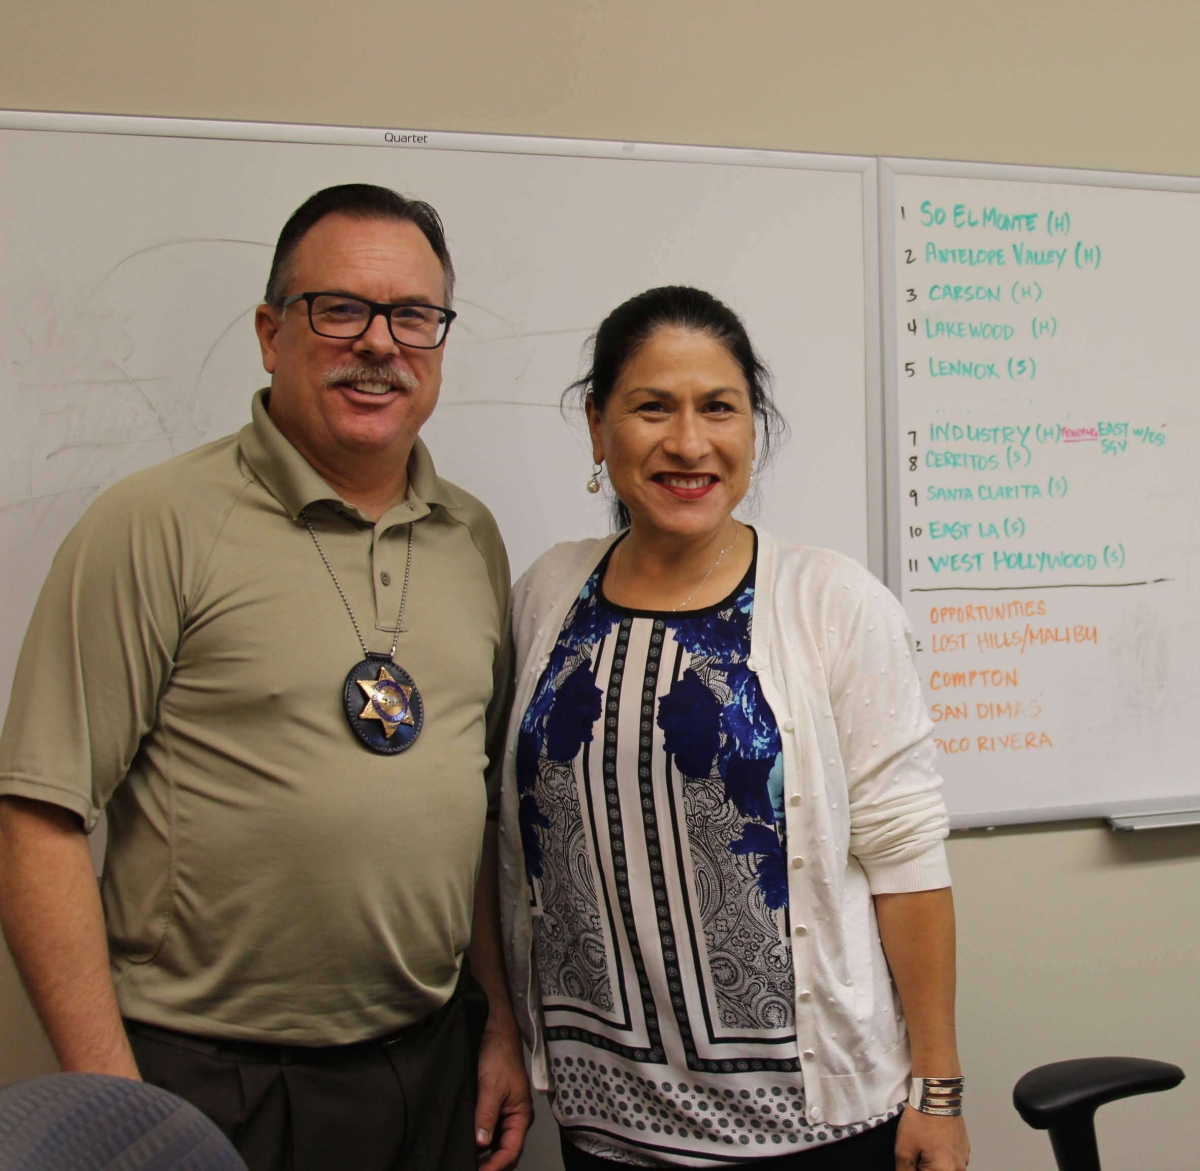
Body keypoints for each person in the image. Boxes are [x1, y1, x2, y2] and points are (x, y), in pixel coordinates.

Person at [0, 184, 531, 1171]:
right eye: (341, 308)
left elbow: (479, 818)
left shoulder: (473, 538)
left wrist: (498, 1022)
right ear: (269, 332)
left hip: (429, 1070)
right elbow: (39, 813)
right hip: (210, 1083)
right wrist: (115, 1100)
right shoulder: (156, 523)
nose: (381, 343)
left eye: (414, 315)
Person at [497, 286, 969, 1169]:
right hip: (607, 1128)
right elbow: (507, 842)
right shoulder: (545, 595)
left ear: (754, 427)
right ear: (598, 429)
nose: (688, 442)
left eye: (719, 407)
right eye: (651, 408)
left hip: (815, 1130)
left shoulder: (832, 601)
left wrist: (936, 1091)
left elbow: (906, 855)